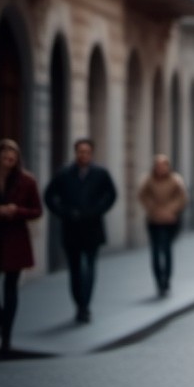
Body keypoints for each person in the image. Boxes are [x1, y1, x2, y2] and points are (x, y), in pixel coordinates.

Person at [0, 139, 42, 354]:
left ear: (17, 160)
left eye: (12, 158)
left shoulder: (27, 181)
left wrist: (17, 211)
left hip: (15, 239)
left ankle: (7, 336)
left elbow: (37, 211)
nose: (9, 161)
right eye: (5, 157)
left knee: (11, 288)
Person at [44, 138, 118, 324]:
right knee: (75, 269)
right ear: (75, 153)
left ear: (91, 154)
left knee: (90, 267)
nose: (83, 155)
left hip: (92, 227)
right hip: (72, 227)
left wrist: (97, 210)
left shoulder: (100, 173)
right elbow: (49, 196)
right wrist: (63, 212)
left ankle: (85, 305)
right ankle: (79, 304)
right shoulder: (64, 173)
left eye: (86, 152)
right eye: (80, 151)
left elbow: (111, 195)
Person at [136, 154, 187, 296]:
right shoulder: (148, 180)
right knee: (155, 251)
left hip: (170, 220)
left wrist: (170, 210)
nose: (160, 168)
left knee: (167, 249)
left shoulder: (175, 180)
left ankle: (167, 279)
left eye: (163, 165)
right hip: (154, 220)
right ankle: (158, 280)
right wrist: (153, 208)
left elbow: (182, 198)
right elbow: (142, 195)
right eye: (158, 165)